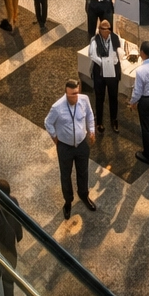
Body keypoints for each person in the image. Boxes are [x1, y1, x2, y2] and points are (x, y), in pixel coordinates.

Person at [42, 79, 97, 220]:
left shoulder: (84, 100)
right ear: (66, 93)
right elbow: (48, 122)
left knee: (83, 171)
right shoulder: (57, 107)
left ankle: (84, 195)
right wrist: (55, 138)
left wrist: (91, 131)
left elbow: (90, 115)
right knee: (65, 174)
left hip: (82, 144)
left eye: (77, 93)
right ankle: (68, 201)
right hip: (65, 147)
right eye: (72, 94)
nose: (75, 97)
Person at [88, 19, 122, 134]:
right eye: (104, 29)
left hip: (112, 70)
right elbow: (92, 55)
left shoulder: (115, 38)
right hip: (100, 71)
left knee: (113, 96)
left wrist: (112, 61)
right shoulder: (95, 40)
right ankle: (99, 122)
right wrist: (104, 63)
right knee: (99, 97)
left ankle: (114, 120)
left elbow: (118, 52)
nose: (106, 31)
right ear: (100, 30)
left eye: (108, 29)